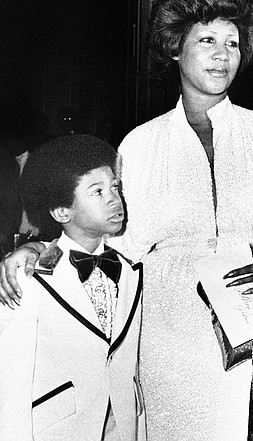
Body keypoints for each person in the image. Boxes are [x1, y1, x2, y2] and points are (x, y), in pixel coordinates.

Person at [0, 0, 253, 441]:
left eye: (232, 43)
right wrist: (39, 251)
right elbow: (105, 239)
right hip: (170, 342)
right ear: (176, 48)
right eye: (207, 40)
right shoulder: (142, 143)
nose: (222, 54)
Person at [0, 134, 144, 441]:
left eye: (115, 187)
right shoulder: (29, 277)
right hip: (60, 430)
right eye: (97, 192)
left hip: (123, 428)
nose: (113, 199)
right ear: (62, 213)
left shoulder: (132, 269)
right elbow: (11, 377)